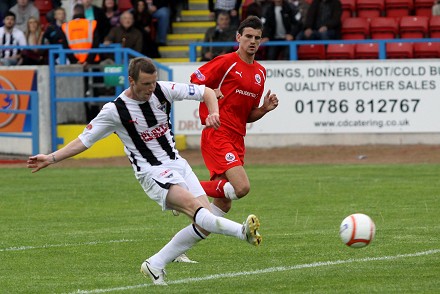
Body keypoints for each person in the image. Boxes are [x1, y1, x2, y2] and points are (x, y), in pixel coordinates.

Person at [27, 57, 262, 286]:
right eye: (146, 84)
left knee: (204, 224)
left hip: (178, 164)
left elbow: (207, 92)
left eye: (153, 82)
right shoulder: (115, 110)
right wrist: (51, 157)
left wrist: (214, 112)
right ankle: (242, 232)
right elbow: (84, 140)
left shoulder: (163, 89)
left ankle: (155, 263)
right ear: (131, 81)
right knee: (199, 210)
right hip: (152, 173)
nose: (151, 88)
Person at [182, 16, 277, 261]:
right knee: (242, 187)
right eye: (248, 37)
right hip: (217, 132)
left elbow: (246, 115)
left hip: (237, 138)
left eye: (257, 37)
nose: (253, 41)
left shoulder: (260, 72)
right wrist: (211, 93)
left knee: (221, 206)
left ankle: (176, 252)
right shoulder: (226, 62)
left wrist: (264, 109)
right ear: (238, 37)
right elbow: (195, 81)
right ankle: (182, 190)